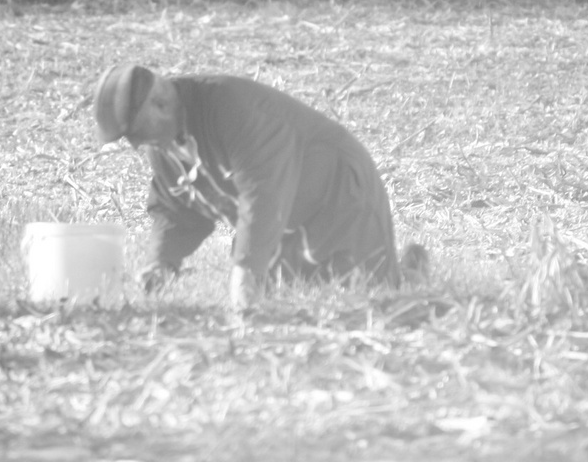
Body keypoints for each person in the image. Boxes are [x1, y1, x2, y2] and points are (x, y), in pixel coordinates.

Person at [93, 63, 419, 311]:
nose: (137, 145)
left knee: (373, 301)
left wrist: (245, 272)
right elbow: (176, 207)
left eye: (136, 133)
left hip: (338, 193)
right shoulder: (162, 143)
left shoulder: (232, 108)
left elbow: (263, 194)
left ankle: (409, 275)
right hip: (288, 220)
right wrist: (161, 262)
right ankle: (406, 269)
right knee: (295, 303)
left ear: (161, 103)